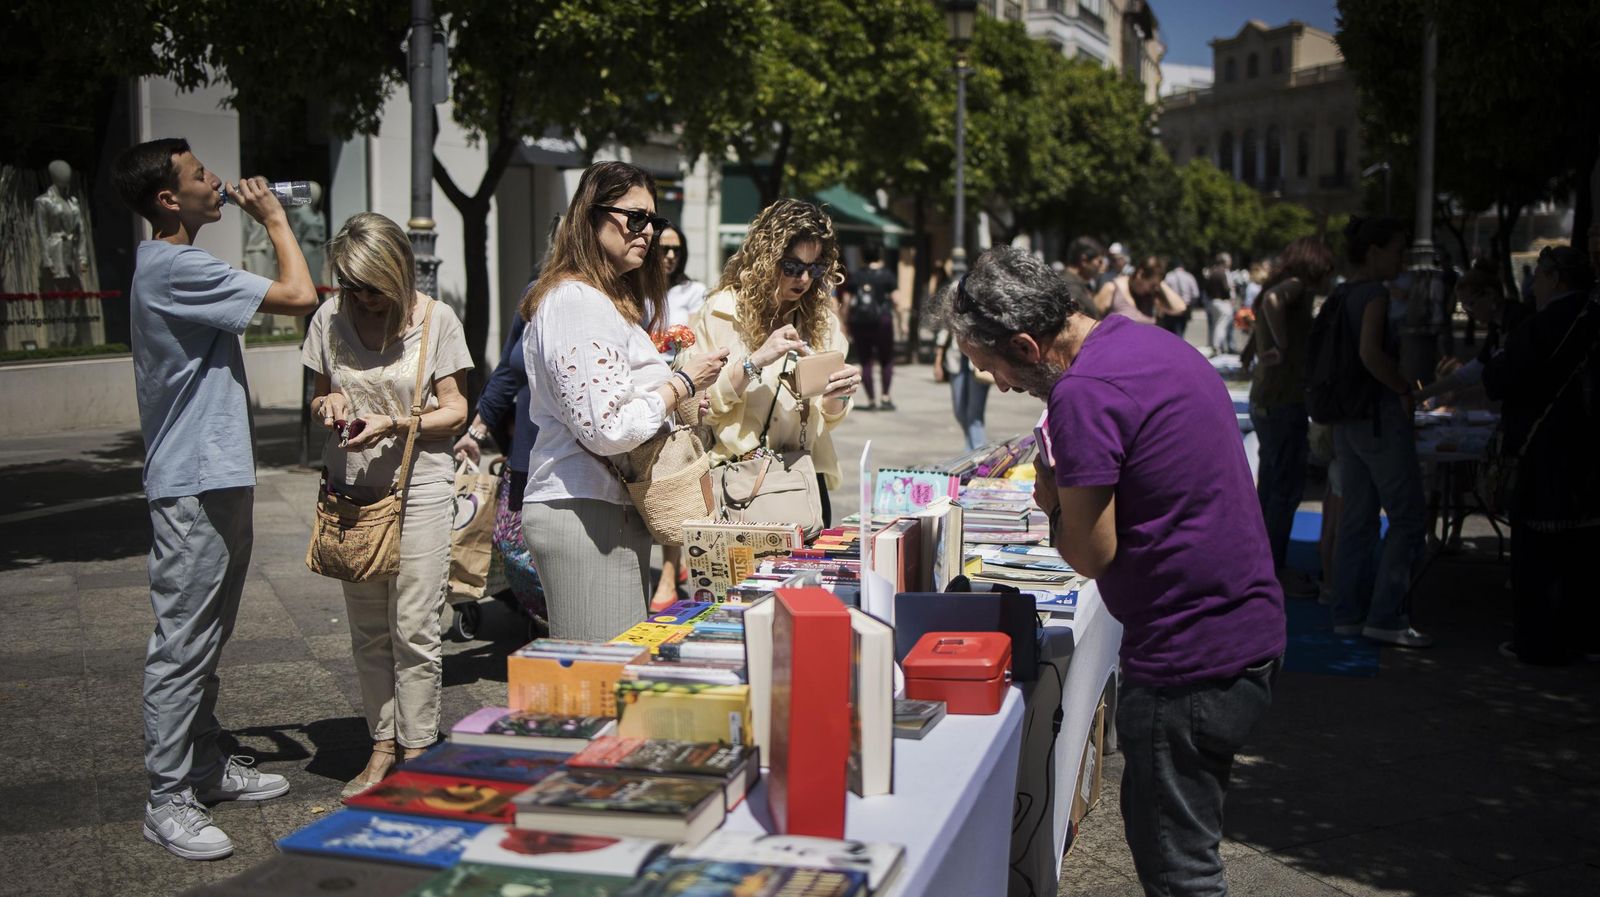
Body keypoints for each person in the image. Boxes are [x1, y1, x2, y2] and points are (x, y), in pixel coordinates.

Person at [943, 247, 1283, 897]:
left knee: (1180, 865)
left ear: (1025, 341)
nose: (1004, 386)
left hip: (1190, 657)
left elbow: (1090, 552)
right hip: (1244, 630)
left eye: (995, 369)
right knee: (1188, 838)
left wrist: (1048, 500)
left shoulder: (1084, 392)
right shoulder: (1142, 343)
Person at [112, 138, 316, 859]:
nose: (218, 183)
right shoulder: (176, 266)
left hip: (213, 475)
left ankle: (201, 761)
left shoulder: (172, 264)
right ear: (169, 199)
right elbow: (299, 297)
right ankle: (166, 798)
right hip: (194, 481)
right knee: (182, 643)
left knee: (206, 637)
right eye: (201, 176)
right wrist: (275, 221)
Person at [518, 161, 728, 640]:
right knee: (602, 679)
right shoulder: (576, 301)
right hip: (582, 505)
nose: (648, 232)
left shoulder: (604, 301)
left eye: (653, 221)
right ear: (592, 217)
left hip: (606, 504)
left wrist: (686, 400)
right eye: (635, 218)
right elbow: (606, 427)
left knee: (615, 674)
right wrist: (682, 385)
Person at [302, 213, 473, 796]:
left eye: (373, 288)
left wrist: (396, 422)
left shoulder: (437, 320)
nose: (363, 300)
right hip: (353, 488)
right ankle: (381, 746)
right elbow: (319, 393)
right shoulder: (329, 316)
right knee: (368, 629)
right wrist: (328, 406)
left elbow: (456, 411)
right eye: (352, 287)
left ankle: (418, 749)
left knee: (415, 625)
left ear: (398, 274)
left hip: (420, 482)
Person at [686, 199, 861, 528]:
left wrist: (838, 396)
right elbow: (698, 408)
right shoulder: (722, 312)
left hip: (802, 480)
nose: (805, 279)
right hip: (738, 482)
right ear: (766, 259)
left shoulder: (822, 321)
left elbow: (826, 419)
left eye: (816, 268)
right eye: (793, 267)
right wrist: (754, 362)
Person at [1483, 245, 1600, 665]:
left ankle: (1538, 643)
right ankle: (1586, 637)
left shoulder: (1547, 324)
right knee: (1584, 549)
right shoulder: (1592, 317)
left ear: (1556, 279)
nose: (1534, 287)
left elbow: (1500, 378)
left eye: (1540, 277)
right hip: (1588, 455)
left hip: (1547, 451)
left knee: (1538, 552)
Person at [1324, 216, 1432, 648]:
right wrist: (1403, 387)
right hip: (1376, 417)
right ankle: (1386, 614)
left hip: (1347, 420)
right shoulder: (1373, 295)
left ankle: (1348, 612)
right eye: (1397, 250)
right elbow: (1371, 353)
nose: (1402, 259)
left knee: (1357, 518)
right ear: (1374, 253)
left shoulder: (1342, 292)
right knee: (1407, 518)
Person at [1249, 237, 1336, 597]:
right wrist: (1284, 346)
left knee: (1271, 488)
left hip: (1268, 398)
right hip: (1283, 400)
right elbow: (1272, 303)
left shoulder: (1276, 286)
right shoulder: (1295, 288)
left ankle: (1264, 563)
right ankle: (1274, 568)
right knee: (1283, 490)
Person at [650, 224, 707, 610]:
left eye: (676, 249)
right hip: (647, 394)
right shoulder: (636, 289)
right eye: (664, 248)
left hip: (683, 397)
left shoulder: (694, 292)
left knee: (674, 479)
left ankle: (669, 573)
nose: (670, 255)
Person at [845, 243, 898, 411]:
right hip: (883, 321)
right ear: (879, 255)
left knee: (866, 361)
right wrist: (902, 321)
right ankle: (885, 396)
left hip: (861, 322)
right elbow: (897, 300)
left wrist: (846, 322)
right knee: (886, 359)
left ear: (863, 256)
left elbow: (847, 302)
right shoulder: (887, 275)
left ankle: (871, 400)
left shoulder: (857, 275)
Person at [933, 325, 991, 450]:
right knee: (960, 411)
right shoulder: (952, 304)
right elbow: (945, 328)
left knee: (974, 415)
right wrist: (938, 360)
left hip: (979, 360)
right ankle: (972, 450)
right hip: (956, 359)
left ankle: (978, 452)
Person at [1089, 255, 1186, 325]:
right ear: (1140, 275)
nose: (1154, 288)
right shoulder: (1112, 289)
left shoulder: (1152, 295)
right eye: (1152, 285)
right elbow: (1091, 322)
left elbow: (1180, 308)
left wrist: (1160, 283)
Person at [1061, 236, 1105, 318]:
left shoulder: (1078, 283)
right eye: (1099, 261)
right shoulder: (1070, 287)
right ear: (1084, 261)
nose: (1102, 266)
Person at [1202, 252, 1237, 355]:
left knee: (1215, 326)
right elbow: (1226, 289)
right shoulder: (1223, 272)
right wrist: (1231, 291)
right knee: (1221, 326)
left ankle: (1213, 346)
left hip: (1212, 302)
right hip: (1222, 302)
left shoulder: (1212, 272)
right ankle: (1217, 347)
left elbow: (1206, 289)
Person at [1161, 259, 1201, 337]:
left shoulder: (1169, 276)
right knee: (1180, 331)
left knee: (1169, 332)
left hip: (1170, 307)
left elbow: (1162, 292)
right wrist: (1190, 304)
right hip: (1185, 307)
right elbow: (1196, 294)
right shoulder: (1189, 277)